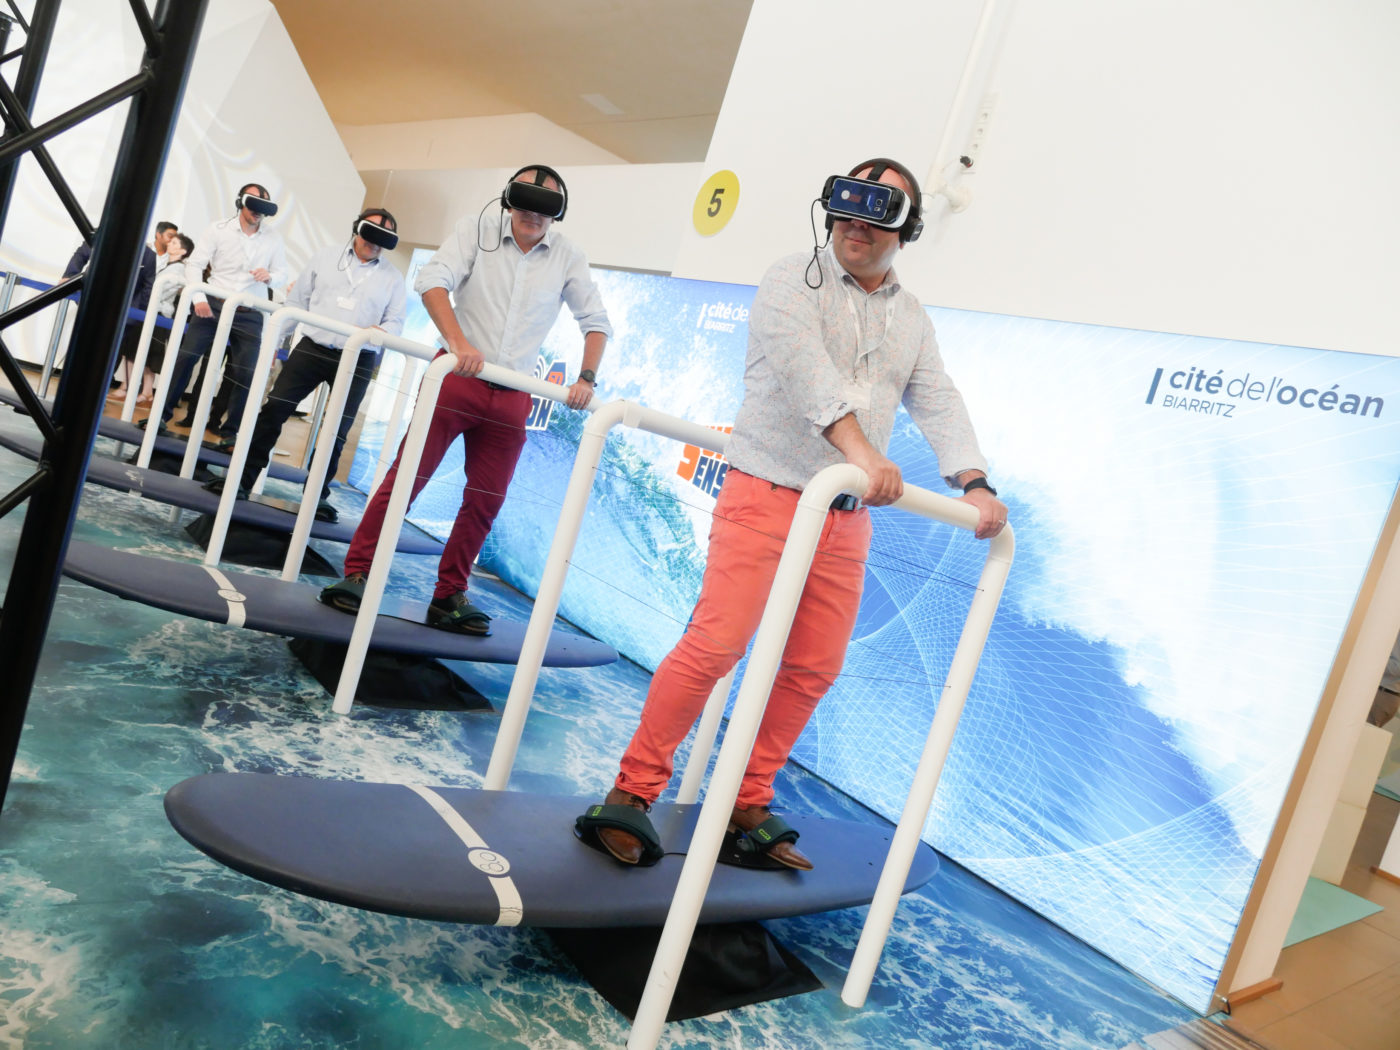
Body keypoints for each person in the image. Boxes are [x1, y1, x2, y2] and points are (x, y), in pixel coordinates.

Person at [576, 158, 1009, 872]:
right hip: (767, 493)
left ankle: (745, 804)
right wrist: (863, 452)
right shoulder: (790, 280)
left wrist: (974, 479)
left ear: (907, 231)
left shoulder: (911, 317)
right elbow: (807, 372)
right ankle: (629, 794)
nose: (857, 225)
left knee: (813, 666)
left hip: (843, 517)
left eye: (879, 214)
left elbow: (936, 396)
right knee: (715, 648)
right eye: (848, 207)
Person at [319, 164, 609, 636]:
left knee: (485, 502)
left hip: (514, 396)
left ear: (558, 213)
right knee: (405, 479)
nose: (533, 214)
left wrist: (587, 378)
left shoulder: (568, 257)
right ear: (508, 200)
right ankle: (358, 573)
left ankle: (449, 594)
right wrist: (458, 342)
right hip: (457, 378)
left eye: (546, 207)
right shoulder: (478, 229)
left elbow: (596, 320)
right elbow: (433, 281)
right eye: (525, 202)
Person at [206, 208, 407, 522]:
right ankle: (242, 480)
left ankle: (317, 497)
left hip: (358, 358)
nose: (376, 243)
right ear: (357, 229)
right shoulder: (325, 257)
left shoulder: (393, 278)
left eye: (385, 238)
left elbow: (396, 321)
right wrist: (276, 343)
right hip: (313, 349)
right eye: (372, 234)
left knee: (336, 431)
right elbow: (297, 302)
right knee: (274, 410)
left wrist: (383, 333)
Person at [148, 183, 288, 441]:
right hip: (212, 305)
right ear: (241, 203)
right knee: (186, 358)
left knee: (245, 372)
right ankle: (160, 416)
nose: (258, 213)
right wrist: (198, 296)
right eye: (254, 206)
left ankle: (231, 432)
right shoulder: (218, 229)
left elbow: (282, 274)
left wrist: (270, 277)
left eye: (264, 209)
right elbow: (196, 265)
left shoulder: (273, 238)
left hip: (250, 311)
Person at [111, 232, 194, 404]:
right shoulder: (166, 264)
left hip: (159, 314)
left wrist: (148, 296)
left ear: (183, 251)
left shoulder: (178, 270)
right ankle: (134, 388)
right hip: (151, 311)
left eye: (175, 243)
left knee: (148, 353)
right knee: (137, 351)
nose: (170, 243)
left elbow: (162, 292)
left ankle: (137, 390)